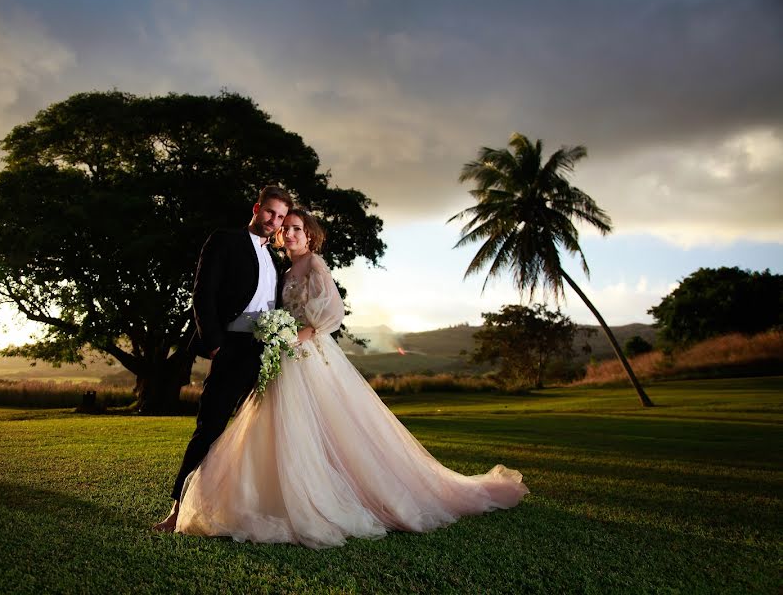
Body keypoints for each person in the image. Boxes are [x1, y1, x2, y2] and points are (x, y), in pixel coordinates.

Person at [173, 209, 529, 548]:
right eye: (287, 228)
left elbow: (333, 310)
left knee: (328, 427)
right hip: (283, 356)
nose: (290, 232)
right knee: (282, 428)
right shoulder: (285, 270)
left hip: (307, 355)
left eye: (297, 227)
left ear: (309, 235)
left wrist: (303, 334)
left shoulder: (313, 263)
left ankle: (328, 497)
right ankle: (271, 496)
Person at [153, 185, 293, 532]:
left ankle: (250, 508)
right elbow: (204, 292)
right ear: (257, 208)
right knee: (210, 429)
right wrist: (215, 344)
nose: (273, 221)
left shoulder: (275, 258)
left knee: (261, 432)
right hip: (231, 348)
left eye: (280, 217)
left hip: (265, 353)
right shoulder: (226, 240)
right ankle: (177, 511)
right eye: (269, 213)